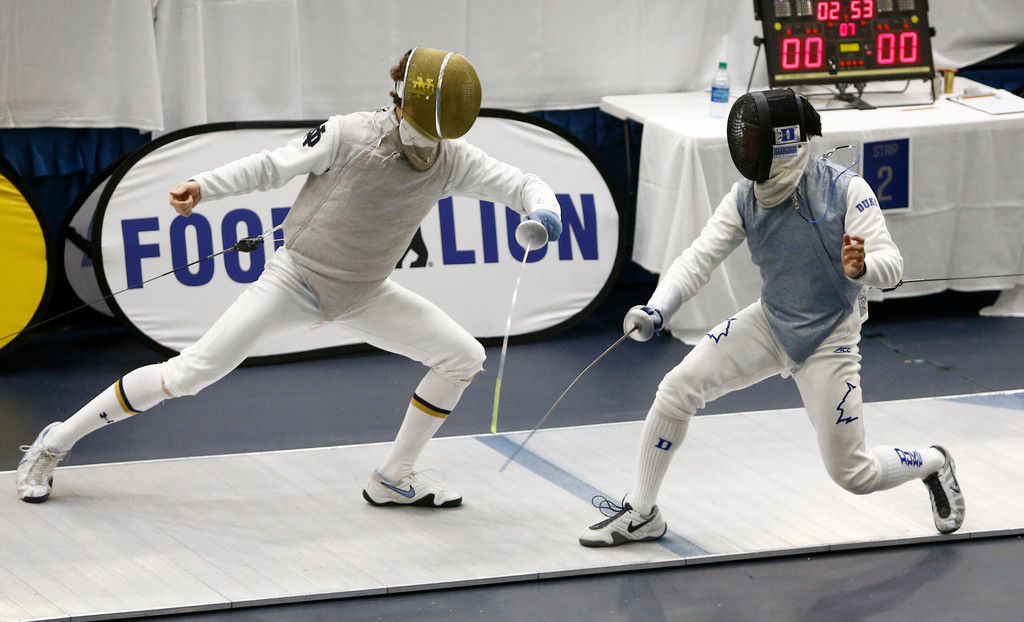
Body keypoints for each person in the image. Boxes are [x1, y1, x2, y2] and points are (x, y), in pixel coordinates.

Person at [17, 47, 563, 508]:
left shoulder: (452, 159)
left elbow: (523, 184)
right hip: (295, 279)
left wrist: (544, 213)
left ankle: (393, 477)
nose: (425, 138)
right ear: (398, 100)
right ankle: (54, 442)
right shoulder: (347, 133)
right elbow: (271, 166)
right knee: (189, 375)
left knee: (463, 357)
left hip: (364, 292)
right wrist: (203, 185)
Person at [579, 88, 964, 547]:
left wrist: (862, 268)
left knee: (854, 474)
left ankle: (935, 462)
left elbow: (892, 266)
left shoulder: (846, 189)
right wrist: (657, 307)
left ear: (784, 142)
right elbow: (698, 257)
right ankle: (642, 513)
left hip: (829, 338)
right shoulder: (745, 197)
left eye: (755, 140)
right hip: (770, 321)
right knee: (677, 388)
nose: (746, 147)